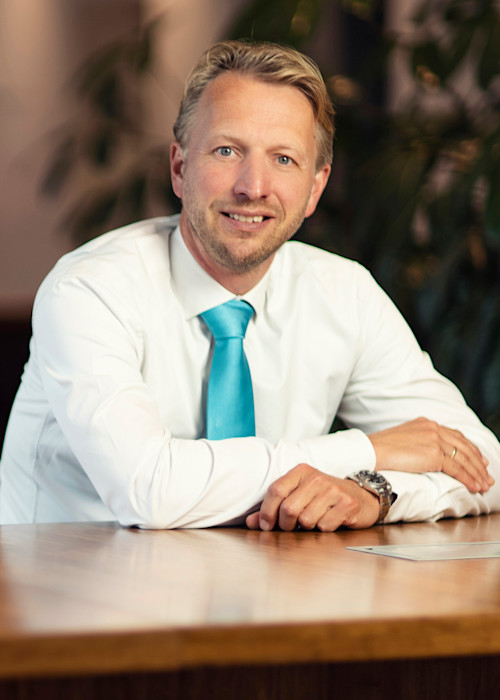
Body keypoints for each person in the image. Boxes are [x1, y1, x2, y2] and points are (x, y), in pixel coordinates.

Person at [1, 40, 499, 531]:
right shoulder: (88, 291)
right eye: (226, 150)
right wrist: (366, 450)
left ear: (316, 187)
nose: (252, 186)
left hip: (260, 579)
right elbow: (148, 491)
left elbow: (487, 468)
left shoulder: (344, 294)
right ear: (179, 167)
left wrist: (376, 492)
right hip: (63, 579)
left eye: (283, 159)